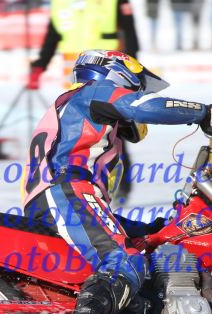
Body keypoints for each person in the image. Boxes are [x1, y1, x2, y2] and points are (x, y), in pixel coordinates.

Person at [21, 50, 212, 314]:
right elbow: (143, 108)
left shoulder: (77, 108)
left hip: (59, 197)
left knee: (141, 244)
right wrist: (202, 111)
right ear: (119, 75)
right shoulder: (94, 91)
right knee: (125, 260)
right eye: (136, 88)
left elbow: (100, 215)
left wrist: (156, 230)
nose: (136, 94)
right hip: (65, 192)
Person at [26, 0, 140, 201]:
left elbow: (130, 34)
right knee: (78, 135)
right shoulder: (60, 3)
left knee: (114, 134)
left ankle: (121, 187)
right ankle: (77, 185)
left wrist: (132, 71)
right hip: (76, 81)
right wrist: (40, 65)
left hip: (108, 76)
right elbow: (53, 36)